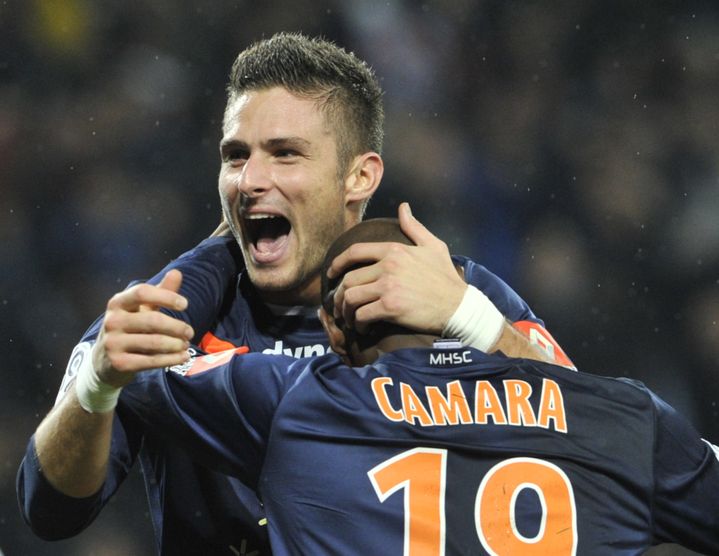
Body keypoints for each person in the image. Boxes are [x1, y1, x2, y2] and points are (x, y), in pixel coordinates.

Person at [17, 34, 570, 554]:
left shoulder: (453, 296)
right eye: (236, 155)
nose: (249, 179)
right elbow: (49, 508)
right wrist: (96, 383)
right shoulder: (170, 310)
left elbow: (597, 446)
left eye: (285, 154)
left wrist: (470, 319)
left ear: (360, 177)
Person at [94, 218, 719, 555]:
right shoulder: (627, 417)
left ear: (335, 332)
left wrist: (223, 249)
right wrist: (473, 314)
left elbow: (131, 356)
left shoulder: (295, 399)